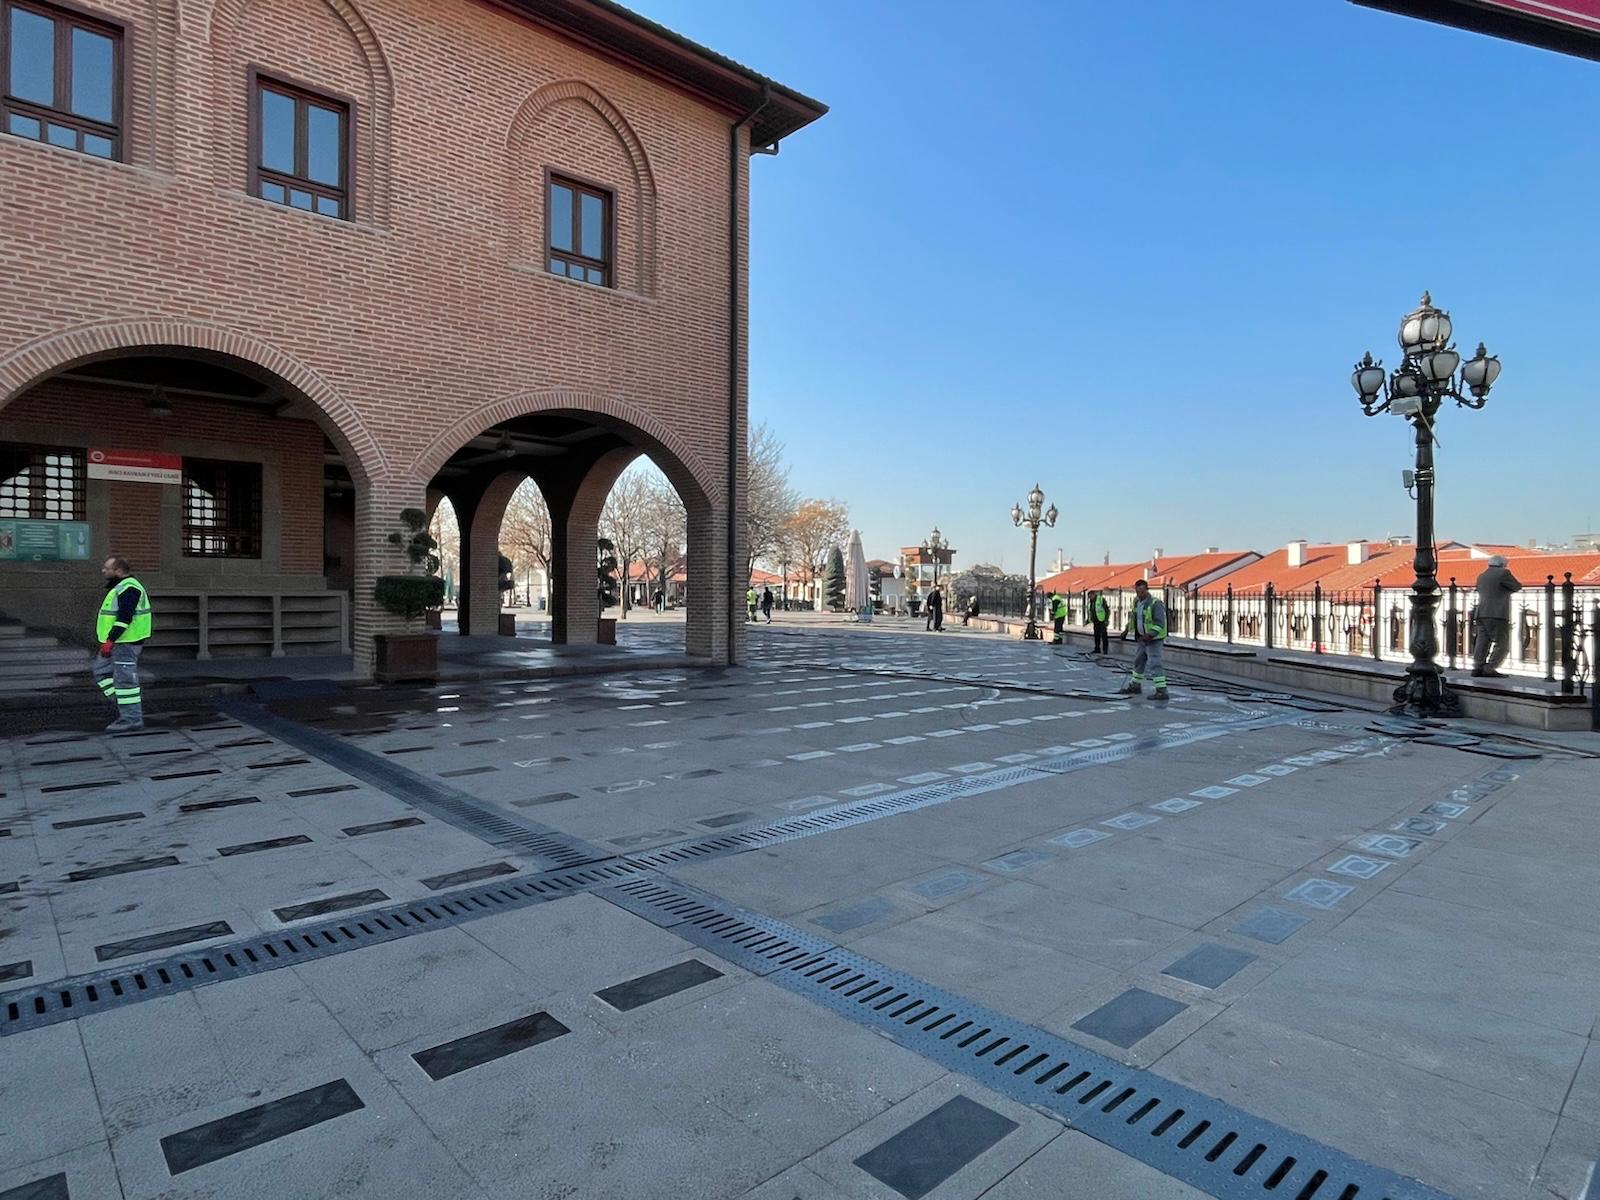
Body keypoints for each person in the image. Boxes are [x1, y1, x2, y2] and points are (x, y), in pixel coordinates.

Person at [94, 556, 152, 733]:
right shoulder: (121, 587)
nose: (103, 571)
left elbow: (124, 618)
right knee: (101, 672)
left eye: (107, 568)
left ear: (118, 571)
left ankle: (131, 718)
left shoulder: (129, 588)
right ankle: (128, 709)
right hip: (117, 643)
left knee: (125, 681)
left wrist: (110, 640)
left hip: (124, 643)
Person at [1118, 578, 1168, 701]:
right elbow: (1134, 619)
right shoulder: (1136, 603)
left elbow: (1160, 623)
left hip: (1153, 639)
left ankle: (1161, 691)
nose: (1140, 594)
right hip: (1142, 639)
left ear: (1147, 590)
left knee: (1154, 663)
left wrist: (1150, 634)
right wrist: (1126, 631)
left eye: (1142, 592)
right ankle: (1135, 686)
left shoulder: (1155, 603)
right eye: (1137, 592)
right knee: (1138, 662)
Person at [1471, 555, 1521, 677]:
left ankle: (1477, 666)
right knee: (1502, 643)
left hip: (1481, 612)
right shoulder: (1503, 573)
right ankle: (1490, 667)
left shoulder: (1481, 576)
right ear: (1502, 564)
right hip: (1497, 613)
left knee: (1482, 641)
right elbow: (1517, 586)